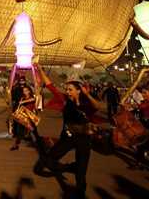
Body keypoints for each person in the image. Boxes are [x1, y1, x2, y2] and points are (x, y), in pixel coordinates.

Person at [33, 63, 100, 198]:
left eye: (70, 89)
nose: (68, 91)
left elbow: (97, 107)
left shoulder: (86, 103)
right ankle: (71, 168)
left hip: (84, 139)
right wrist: (40, 69)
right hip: (67, 137)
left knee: (81, 173)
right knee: (49, 161)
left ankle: (80, 193)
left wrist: (88, 95)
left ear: (78, 90)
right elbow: (50, 85)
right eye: (67, 89)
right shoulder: (64, 99)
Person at [10, 79, 36, 151]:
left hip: (30, 116)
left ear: (29, 91)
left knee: (32, 131)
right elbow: (19, 106)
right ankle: (16, 145)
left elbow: (33, 100)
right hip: (23, 116)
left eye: (26, 91)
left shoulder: (31, 97)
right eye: (24, 91)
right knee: (19, 131)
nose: (25, 92)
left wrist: (23, 102)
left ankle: (37, 143)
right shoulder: (22, 98)